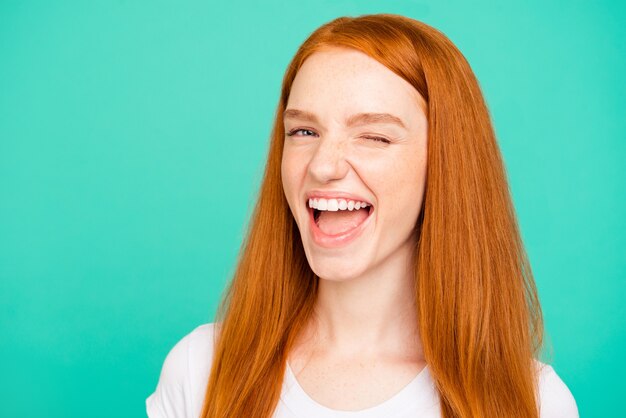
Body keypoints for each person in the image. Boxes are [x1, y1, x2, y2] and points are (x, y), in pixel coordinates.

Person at [146, 13, 579, 418]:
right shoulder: (200, 368)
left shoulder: (535, 401)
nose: (322, 166)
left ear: (447, 165)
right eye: (303, 131)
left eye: (373, 136)